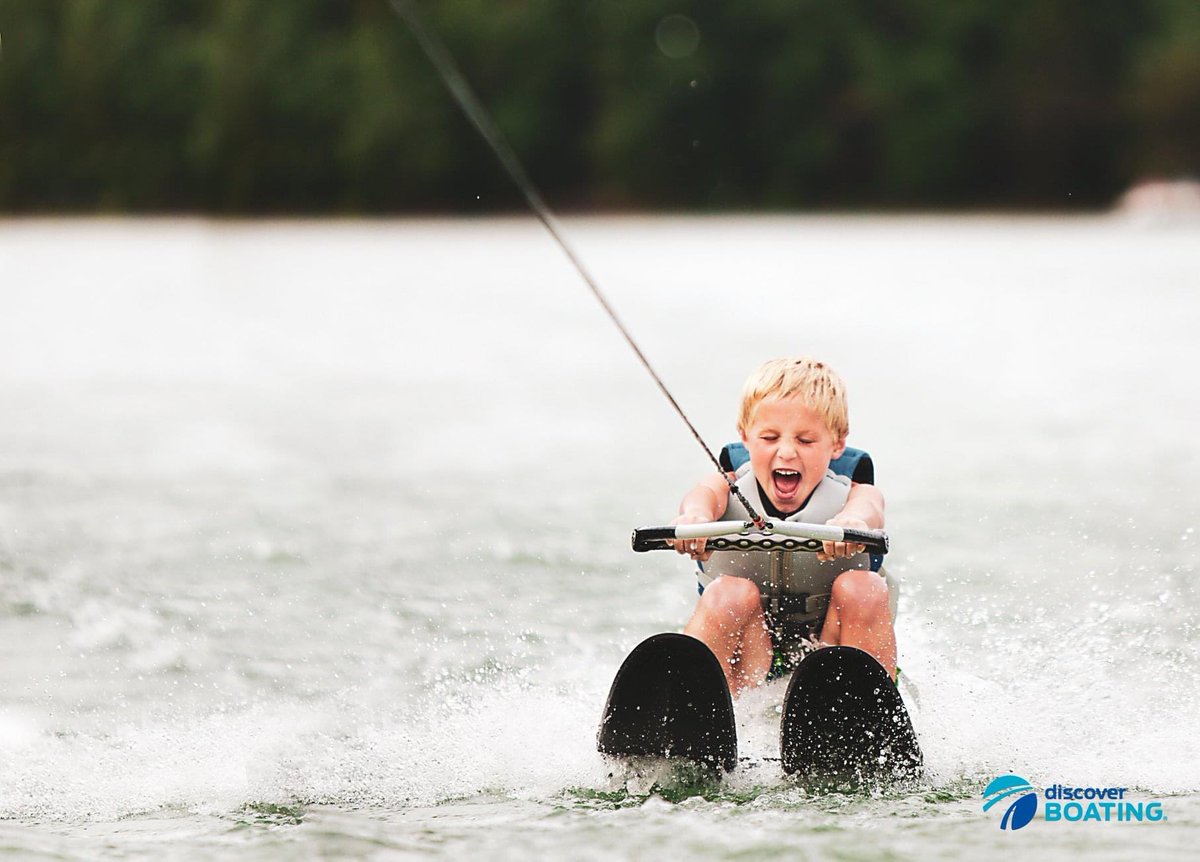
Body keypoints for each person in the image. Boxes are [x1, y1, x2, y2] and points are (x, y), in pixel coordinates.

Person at [670, 357, 897, 697]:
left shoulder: (854, 494)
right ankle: (694, 705)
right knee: (728, 594)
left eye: (805, 440)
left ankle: (866, 710)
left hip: (830, 656)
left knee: (862, 589)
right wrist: (695, 520)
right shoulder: (724, 485)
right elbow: (701, 498)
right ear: (745, 437)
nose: (787, 452)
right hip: (749, 656)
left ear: (836, 444)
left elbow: (870, 508)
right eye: (770, 437)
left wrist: (853, 523)